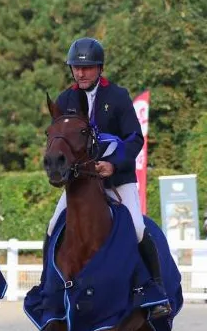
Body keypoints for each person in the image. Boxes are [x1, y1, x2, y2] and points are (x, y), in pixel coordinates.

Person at [43, 37, 170, 316]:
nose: (80, 73)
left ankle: (155, 291)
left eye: (87, 68)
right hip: (80, 184)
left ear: (99, 68)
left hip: (116, 180)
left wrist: (113, 165)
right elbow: (61, 141)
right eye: (76, 67)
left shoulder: (118, 96)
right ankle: (47, 289)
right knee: (53, 227)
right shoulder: (65, 99)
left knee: (136, 228)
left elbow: (134, 138)